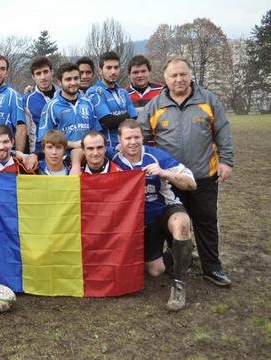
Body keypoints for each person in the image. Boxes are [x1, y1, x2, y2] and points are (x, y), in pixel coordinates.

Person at [139, 56, 235, 287]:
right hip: (170, 180)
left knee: (206, 222)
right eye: (174, 75)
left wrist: (227, 161)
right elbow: (138, 134)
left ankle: (212, 268)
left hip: (203, 176)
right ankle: (183, 261)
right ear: (165, 78)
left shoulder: (208, 100)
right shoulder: (154, 105)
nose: (179, 79)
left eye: (183, 74)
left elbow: (223, 131)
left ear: (190, 75)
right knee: (175, 222)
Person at [112, 119, 196, 311]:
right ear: (119, 140)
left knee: (182, 222)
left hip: (163, 211)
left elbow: (191, 183)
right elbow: (86, 148)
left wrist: (164, 173)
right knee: (155, 271)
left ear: (143, 137)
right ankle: (180, 255)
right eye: (128, 138)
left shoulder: (156, 156)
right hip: (138, 221)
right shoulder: (113, 158)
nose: (132, 142)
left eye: (136, 137)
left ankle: (179, 285)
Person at [36, 62, 100, 154]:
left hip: (88, 156)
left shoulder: (88, 103)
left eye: (76, 78)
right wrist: (72, 144)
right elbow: (44, 139)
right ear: (59, 82)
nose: (73, 83)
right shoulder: (51, 106)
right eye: (68, 79)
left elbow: (96, 132)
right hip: (62, 158)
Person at [86, 51, 137, 149]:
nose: (113, 72)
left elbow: (134, 120)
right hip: (108, 148)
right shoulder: (94, 92)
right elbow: (108, 122)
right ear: (100, 70)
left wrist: (119, 118)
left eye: (116, 67)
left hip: (128, 145)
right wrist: (126, 116)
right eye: (109, 68)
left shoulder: (124, 92)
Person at [0, 55, 26, 151]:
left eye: (2, 69)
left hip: (6, 154)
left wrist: (18, 157)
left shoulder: (13, 95)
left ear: (7, 73)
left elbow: (21, 130)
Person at [23, 56, 57, 153]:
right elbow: (26, 133)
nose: (43, 77)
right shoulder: (27, 100)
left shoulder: (63, 95)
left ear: (52, 72)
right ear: (33, 77)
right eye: (38, 73)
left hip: (63, 152)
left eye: (45, 72)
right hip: (39, 154)